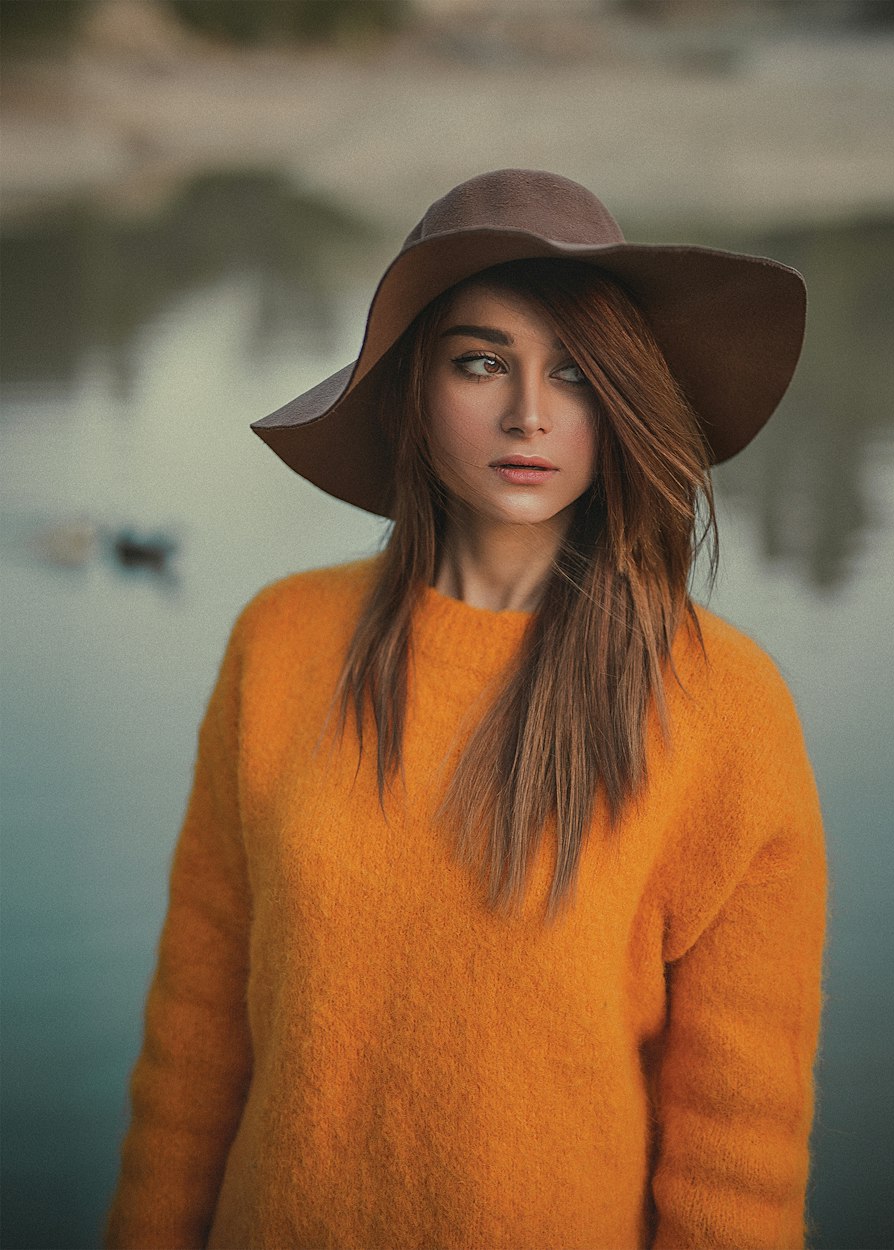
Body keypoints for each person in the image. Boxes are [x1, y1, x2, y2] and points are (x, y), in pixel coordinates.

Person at [105, 169, 827, 1250]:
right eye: (481, 361)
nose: (529, 413)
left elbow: (740, 1146)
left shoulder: (725, 705)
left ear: (622, 400)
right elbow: (196, 1039)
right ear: (410, 389)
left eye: (577, 373)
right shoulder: (280, 643)